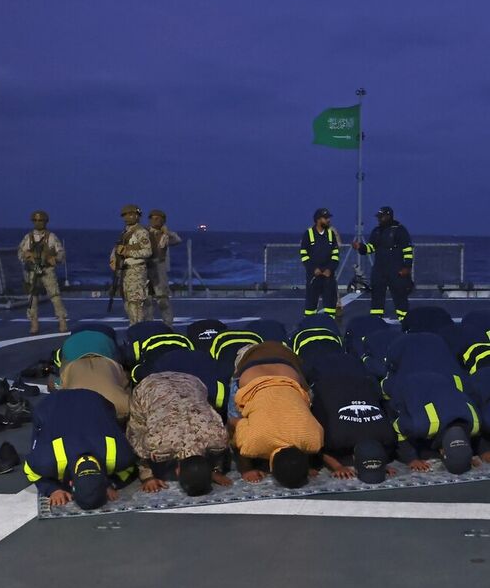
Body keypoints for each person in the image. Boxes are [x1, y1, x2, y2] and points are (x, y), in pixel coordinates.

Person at [23, 388, 137, 509]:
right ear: (70, 483)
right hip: (52, 404)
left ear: (71, 483)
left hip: (93, 399)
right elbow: (29, 469)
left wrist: (52, 489)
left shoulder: (120, 457)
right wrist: (52, 489)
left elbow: (132, 468)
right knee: (41, 433)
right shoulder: (47, 461)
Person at [229, 342, 322, 487]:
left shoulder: (314, 441)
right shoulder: (252, 443)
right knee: (235, 417)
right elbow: (233, 423)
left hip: (287, 363)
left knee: (306, 400)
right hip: (249, 362)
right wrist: (246, 469)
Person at [126, 370, 231, 495]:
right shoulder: (158, 443)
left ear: (177, 471)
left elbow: (218, 449)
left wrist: (214, 470)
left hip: (191, 380)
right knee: (140, 424)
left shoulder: (218, 437)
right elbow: (135, 437)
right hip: (149, 387)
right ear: (177, 471)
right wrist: (147, 476)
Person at [387, 371, 480, 474]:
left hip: (440, 378)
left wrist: (464, 456)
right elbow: (396, 427)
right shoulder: (421, 425)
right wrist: (411, 458)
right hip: (407, 383)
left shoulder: (475, 424)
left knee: (426, 451)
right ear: (442, 451)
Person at [55, 330, 131, 423]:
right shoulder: (113, 364)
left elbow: (58, 386)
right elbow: (126, 383)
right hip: (116, 409)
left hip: (77, 412)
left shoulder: (70, 367)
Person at [352, 206, 413, 321]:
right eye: (378, 217)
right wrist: (361, 247)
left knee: (400, 297)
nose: (379, 219)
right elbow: (371, 248)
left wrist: (407, 266)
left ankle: (405, 323)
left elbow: (407, 250)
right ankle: (375, 321)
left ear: (389, 216)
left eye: (382, 217)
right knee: (377, 298)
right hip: (379, 270)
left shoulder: (400, 230)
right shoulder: (376, 231)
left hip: (396, 270)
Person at [17, 210, 68, 335]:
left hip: (47, 269)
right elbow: (20, 252)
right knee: (32, 298)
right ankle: (34, 322)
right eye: (35, 220)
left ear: (45, 221)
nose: (38, 223)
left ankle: (62, 320)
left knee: (55, 295)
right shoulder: (28, 237)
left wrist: (53, 259)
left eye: (40, 220)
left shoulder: (51, 237)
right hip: (33, 270)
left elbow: (61, 253)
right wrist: (27, 256)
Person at [110, 204, 154, 326]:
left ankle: (138, 329)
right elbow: (117, 249)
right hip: (125, 271)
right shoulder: (125, 232)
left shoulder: (141, 232)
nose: (127, 218)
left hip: (137, 271)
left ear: (137, 216)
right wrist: (113, 260)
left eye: (130, 214)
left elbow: (147, 251)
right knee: (128, 302)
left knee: (136, 302)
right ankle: (134, 327)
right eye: (125, 215)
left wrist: (128, 252)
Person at [300, 208, 341, 318]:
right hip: (314, 276)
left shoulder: (331, 234)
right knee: (310, 306)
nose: (328, 220)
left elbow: (335, 255)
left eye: (329, 218)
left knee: (330, 306)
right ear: (318, 220)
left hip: (328, 277)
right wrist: (313, 269)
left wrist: (330, 269)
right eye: (326, 218)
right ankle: (308, 328)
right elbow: (304, 255)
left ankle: (329, 326)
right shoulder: (308, 234)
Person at [147, 209, 181, 324]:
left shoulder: (165, 235)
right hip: (146, 269)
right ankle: (148, 324)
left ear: (163, 220)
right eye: (152, 218)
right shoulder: (144, 233)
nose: (154, 221)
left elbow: (177, 240)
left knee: (163, 300)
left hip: (160, 269)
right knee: (147, 299)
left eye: (157, 218)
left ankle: (168, 324)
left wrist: (167, 232)